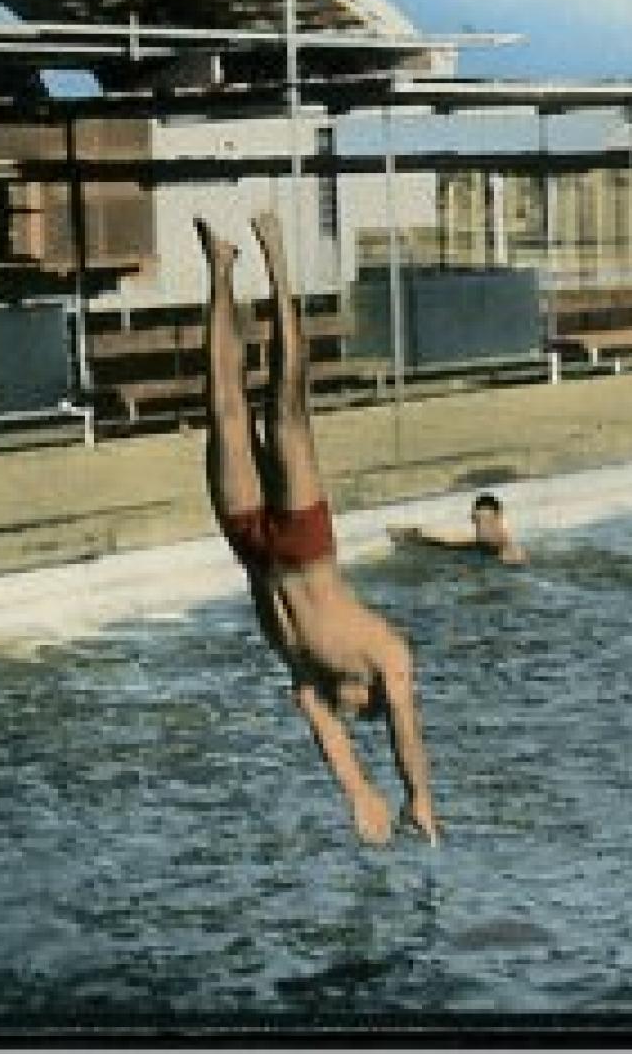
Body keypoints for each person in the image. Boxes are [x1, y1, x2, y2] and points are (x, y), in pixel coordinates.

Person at [196, 210, 439, 848]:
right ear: (375, 697)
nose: (350, 716)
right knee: (286, 405)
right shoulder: (387, 656)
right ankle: (276, 260)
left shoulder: (310, 680)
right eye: (364, 715)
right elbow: (407, 733)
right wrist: (418, 797)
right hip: (304, 546)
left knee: (223, 405)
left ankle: (220, 267)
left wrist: (360, 792)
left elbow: (327, 736)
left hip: (253, 546)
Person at [388, 493, 528, 565]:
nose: (484, 528)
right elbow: (447, 538)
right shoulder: (476, 542)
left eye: (488, 522)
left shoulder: (511, 551)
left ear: (498, 518)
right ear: (473, 520)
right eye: (479, 521)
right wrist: (410, 532)